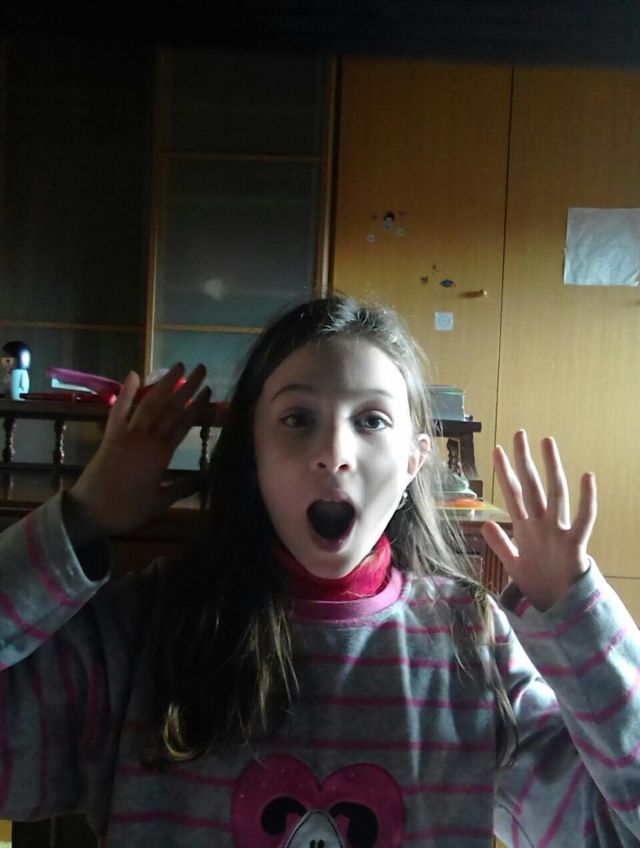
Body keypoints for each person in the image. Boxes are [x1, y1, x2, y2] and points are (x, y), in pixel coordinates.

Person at [0, 295, 638, 847]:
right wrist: (80, 517)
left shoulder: (471, 640)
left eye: (372, 420)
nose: (334, 453)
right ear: (252, 454)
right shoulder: (143, 630)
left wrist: (578, 615)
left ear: (414, 462)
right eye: (298, 419)